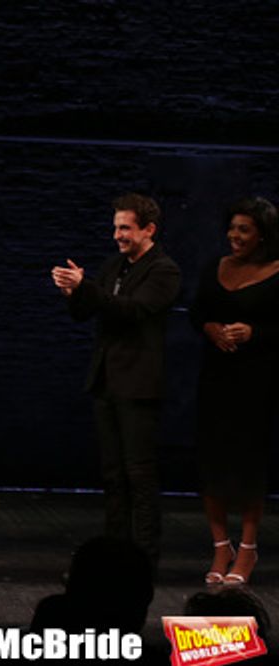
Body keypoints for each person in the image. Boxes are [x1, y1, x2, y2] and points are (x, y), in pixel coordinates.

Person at [52, 193, 181, 570]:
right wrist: (73, 293)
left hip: (138, 384)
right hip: (106, 381)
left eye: (125, 228)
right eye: (116, 227)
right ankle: (114, 557)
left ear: (149, 229)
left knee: (138, 475)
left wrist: (87, 287)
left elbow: (133, 311)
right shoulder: (115, 266)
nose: (117, 235)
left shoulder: (164, 270)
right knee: (112, 475)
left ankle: (143, 560)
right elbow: (89, 312)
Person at [189, 197, 279, 585]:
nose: (235, 236)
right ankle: (220, 545)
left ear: (262, 235)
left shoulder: (277, 272)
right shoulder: (216, 267)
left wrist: (255, 332)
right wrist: (209, 328)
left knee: (247, 464)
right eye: (232, 228)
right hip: (216, 378)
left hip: (256, 381)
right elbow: (197, 311)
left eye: (244, 229)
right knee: (212, 461)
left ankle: (247, 548)